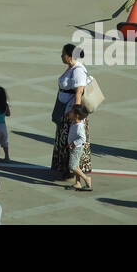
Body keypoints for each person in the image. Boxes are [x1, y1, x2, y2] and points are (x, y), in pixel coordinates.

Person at [51, 44, 92, 180]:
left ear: (69, 56)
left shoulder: (78, 70)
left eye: (63, 54)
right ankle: (65, 168)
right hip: (65, 109)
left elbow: (79, 92)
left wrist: (75, 114)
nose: (61, 56)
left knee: (71, 140)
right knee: (64, 140)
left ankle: (73, 170)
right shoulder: (71, 68)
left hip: (71, 112)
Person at [68, 107, 92, 190]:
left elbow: (83, 139)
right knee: (76, 166)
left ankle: (86, 178)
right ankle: (77, 183)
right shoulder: (75, 122)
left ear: (76, 115)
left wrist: (73, 143)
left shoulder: (79, 126)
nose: (69, 113)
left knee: (72, 166)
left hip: (76, 149)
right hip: (74, 148)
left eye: (71, 112)